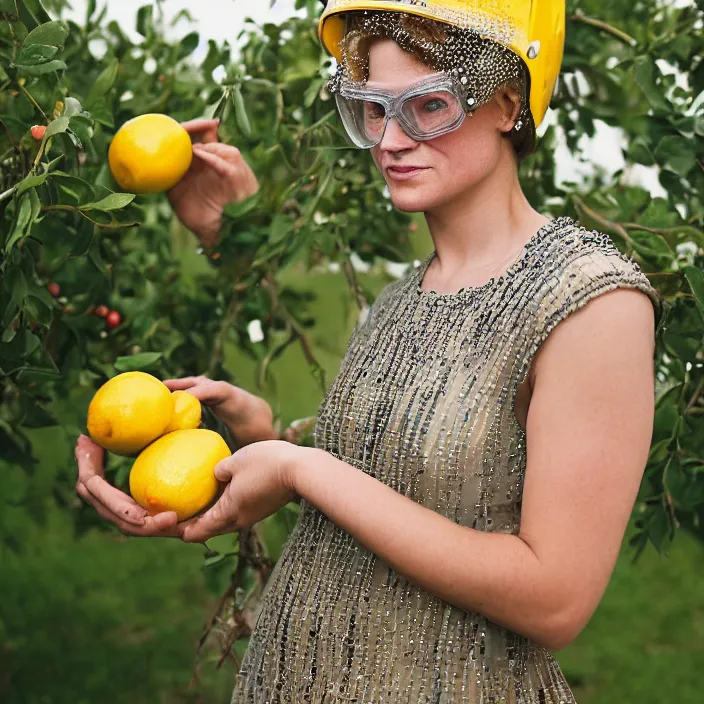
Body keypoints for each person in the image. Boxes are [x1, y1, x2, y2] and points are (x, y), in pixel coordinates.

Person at [74, 1, 665, 701]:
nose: (391, 139)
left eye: (429, 105)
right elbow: (392, 492)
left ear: (508, 103)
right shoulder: (405, 294)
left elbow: (554, 598)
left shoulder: (592, 299)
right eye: (374, 110)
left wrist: (300, 469)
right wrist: (257, 440)